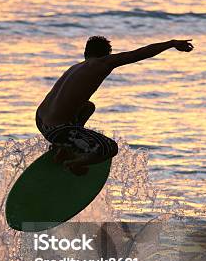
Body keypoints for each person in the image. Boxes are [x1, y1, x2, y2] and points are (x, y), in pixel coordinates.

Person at [36, 36, 194, 175]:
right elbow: (138, 54)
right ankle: (74, 162)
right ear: (107, 54)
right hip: (59, 129)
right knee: (110, 148)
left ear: (86, 53)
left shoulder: (75, 67)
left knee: (88, 107)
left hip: (41, 122)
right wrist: (171, 43)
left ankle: (63, 148)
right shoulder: (103, 63)